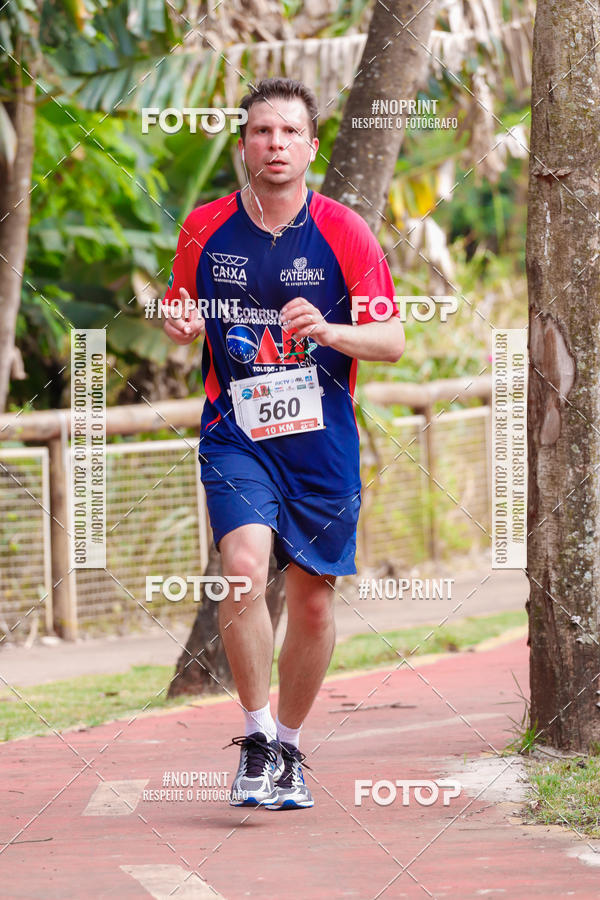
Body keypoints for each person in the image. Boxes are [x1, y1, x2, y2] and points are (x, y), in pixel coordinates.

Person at [162, 77, 405, 810]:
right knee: (242, 570)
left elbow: (391, 338)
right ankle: (257, 739)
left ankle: (292, 750)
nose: (275, 144)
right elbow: (181, 304)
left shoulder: (345, 231)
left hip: (320, 442)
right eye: (262, 132)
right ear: (244, 145)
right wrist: (176, 321)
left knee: (312, 603)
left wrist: (331, 331)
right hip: (236, 432)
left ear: (310, 147)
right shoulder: (204, 226)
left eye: (289, 133)